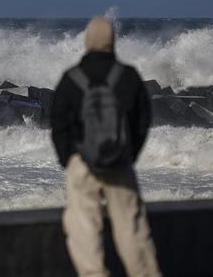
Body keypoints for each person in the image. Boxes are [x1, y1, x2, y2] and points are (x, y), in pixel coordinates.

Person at [50, 16, 161, 277]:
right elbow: (143, 120)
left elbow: (58, 122)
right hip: (119, 162)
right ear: (113, 41)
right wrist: (129, 154)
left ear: (87, 40)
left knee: (84, 229)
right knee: (132, 229)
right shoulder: (128, 76)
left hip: (82, 162)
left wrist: (69, 158)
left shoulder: (72, 77)